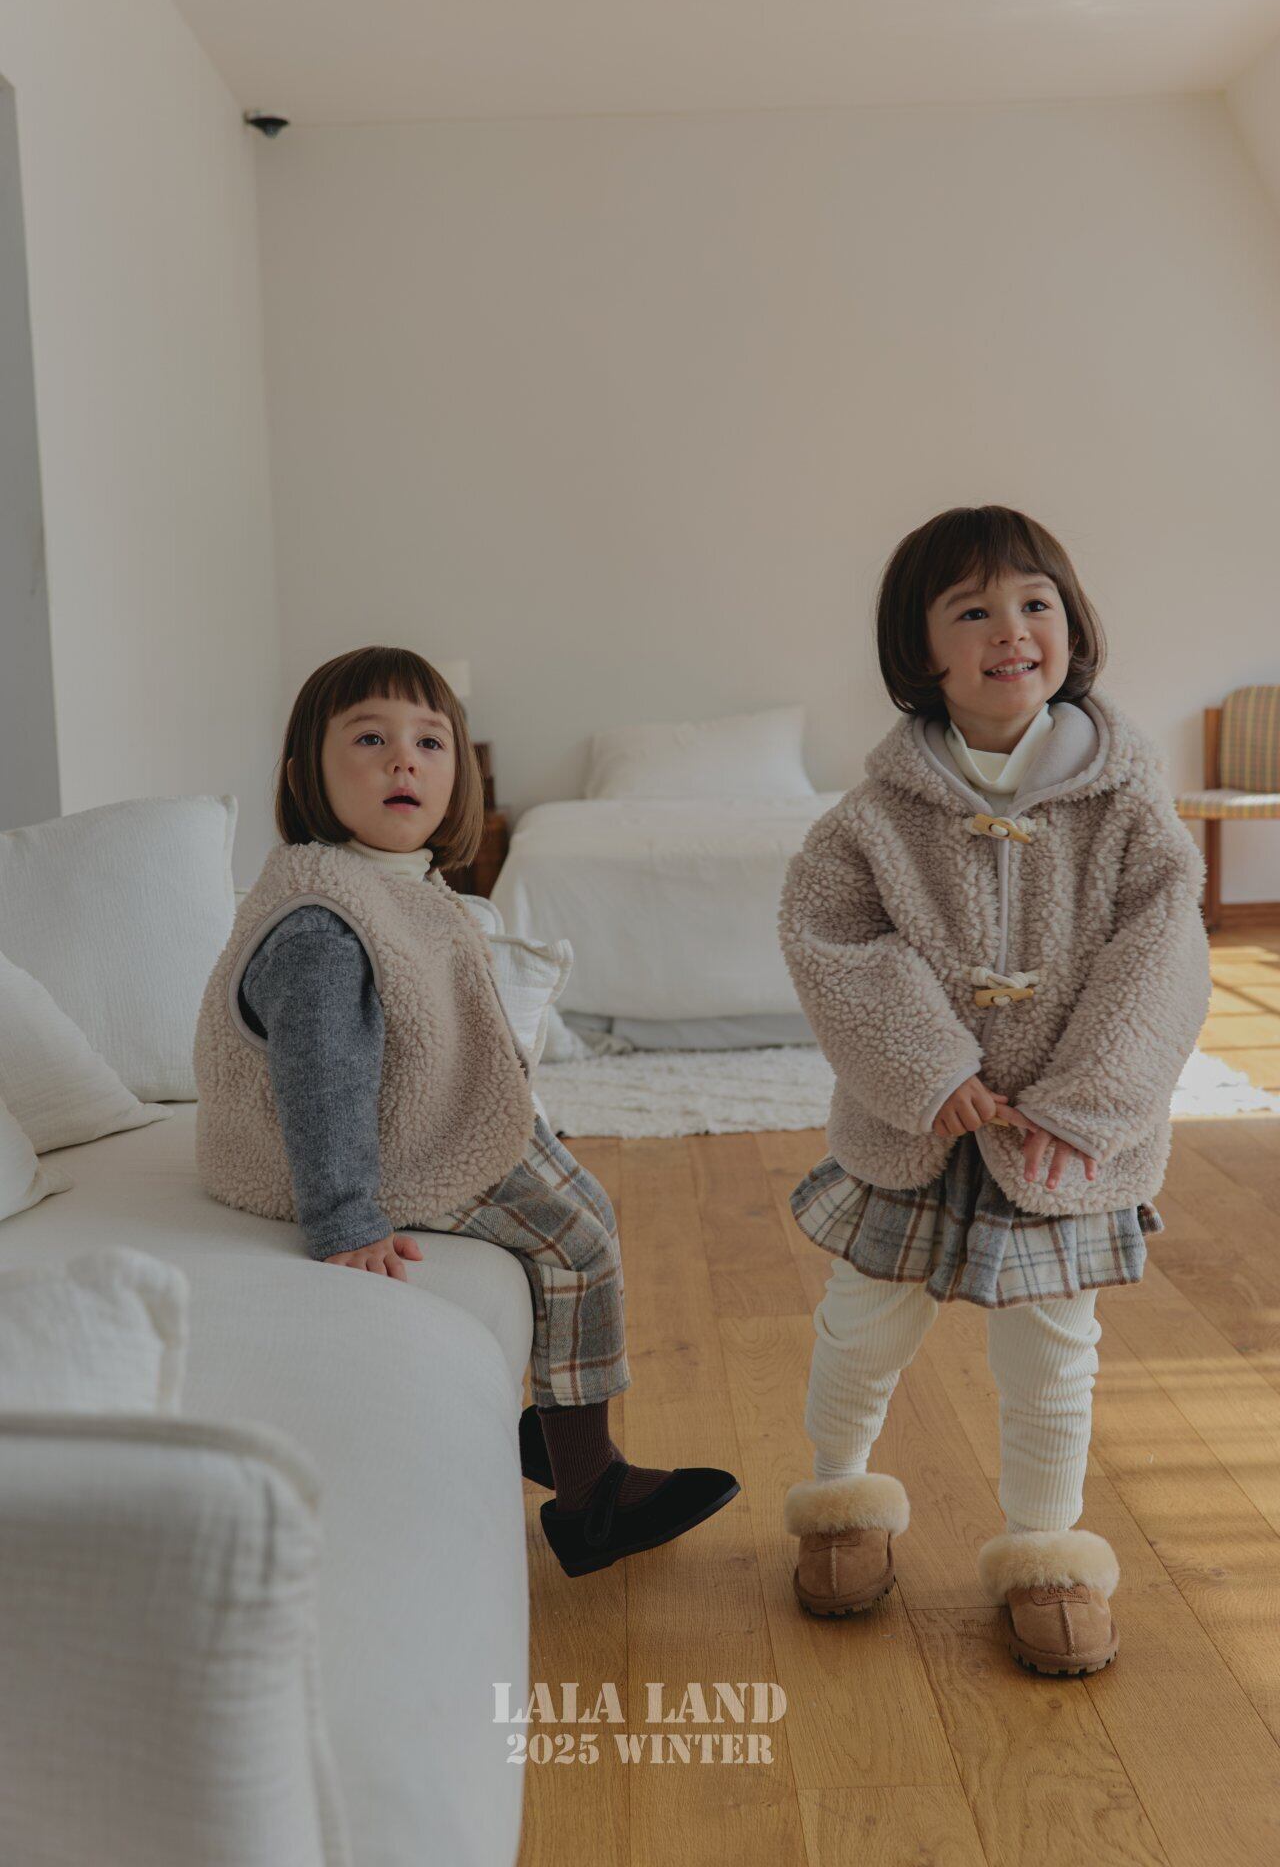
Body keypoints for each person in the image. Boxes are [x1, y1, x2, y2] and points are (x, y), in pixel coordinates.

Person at [192, 644, 738, 1577]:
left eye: (430, 742)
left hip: (419, 1118)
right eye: (370, 738)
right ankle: (590, 1494)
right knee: (579, 1233)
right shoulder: (322, 925)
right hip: (380, 1155)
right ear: (305, 772)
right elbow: (321, 1081)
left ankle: (555, 1429)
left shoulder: (390, 880)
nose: (403, 760)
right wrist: (345, 1220)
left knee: (570, 1192)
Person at [777, 505, 1211, 1675]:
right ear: (920, 651)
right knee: (862, 1325)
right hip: (915, 1131)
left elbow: (1161, 953)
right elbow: (831, 940)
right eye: (970, 611)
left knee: (1051, 1351)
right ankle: (838, 1500)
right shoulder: (873, 817)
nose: (1009, 631)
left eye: (1033, 604)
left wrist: (1089, 1102)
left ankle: (1045, 1551)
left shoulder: (1124, 802)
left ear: (1070, 626)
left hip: (1059, 1139)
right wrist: (927, 1070)